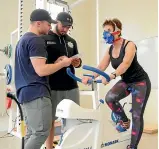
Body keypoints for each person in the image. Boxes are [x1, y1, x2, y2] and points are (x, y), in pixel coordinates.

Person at [82, 18, 151, 149]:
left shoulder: (129, 45)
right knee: (110, 98)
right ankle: (124, 121)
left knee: (137, 115)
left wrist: (112, 75)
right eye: (104, 31)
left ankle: (133, 146)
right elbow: (101, 65)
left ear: (117, 31)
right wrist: (91, 77)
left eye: (108, 30)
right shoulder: (110, 49)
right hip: (126, 81)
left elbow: (125, 64)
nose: (105, 33)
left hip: (140, 81)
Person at [14, 9, 73, 149]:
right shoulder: (36, 40)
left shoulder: (22, 41)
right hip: (37, 93)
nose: (49, 27)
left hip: (24, 93)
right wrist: (62, 64)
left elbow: (33, 67)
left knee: (32, 133)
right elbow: (41, 71)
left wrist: (56, 63)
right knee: (41, 133)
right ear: (38, 23)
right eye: (48, 24)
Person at [42, 12, 82, 149]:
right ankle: (49, 147)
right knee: (51, 120)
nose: (65, 29)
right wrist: (56, 62)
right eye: (63, 26)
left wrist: (77, 63)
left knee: (72, 118)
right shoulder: (45, 38)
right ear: (56, 22)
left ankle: (68, 145)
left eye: (68, 27)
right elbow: (41, 64)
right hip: (53, 86)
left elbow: (77, 61)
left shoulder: (72, 41)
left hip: (71, 85)